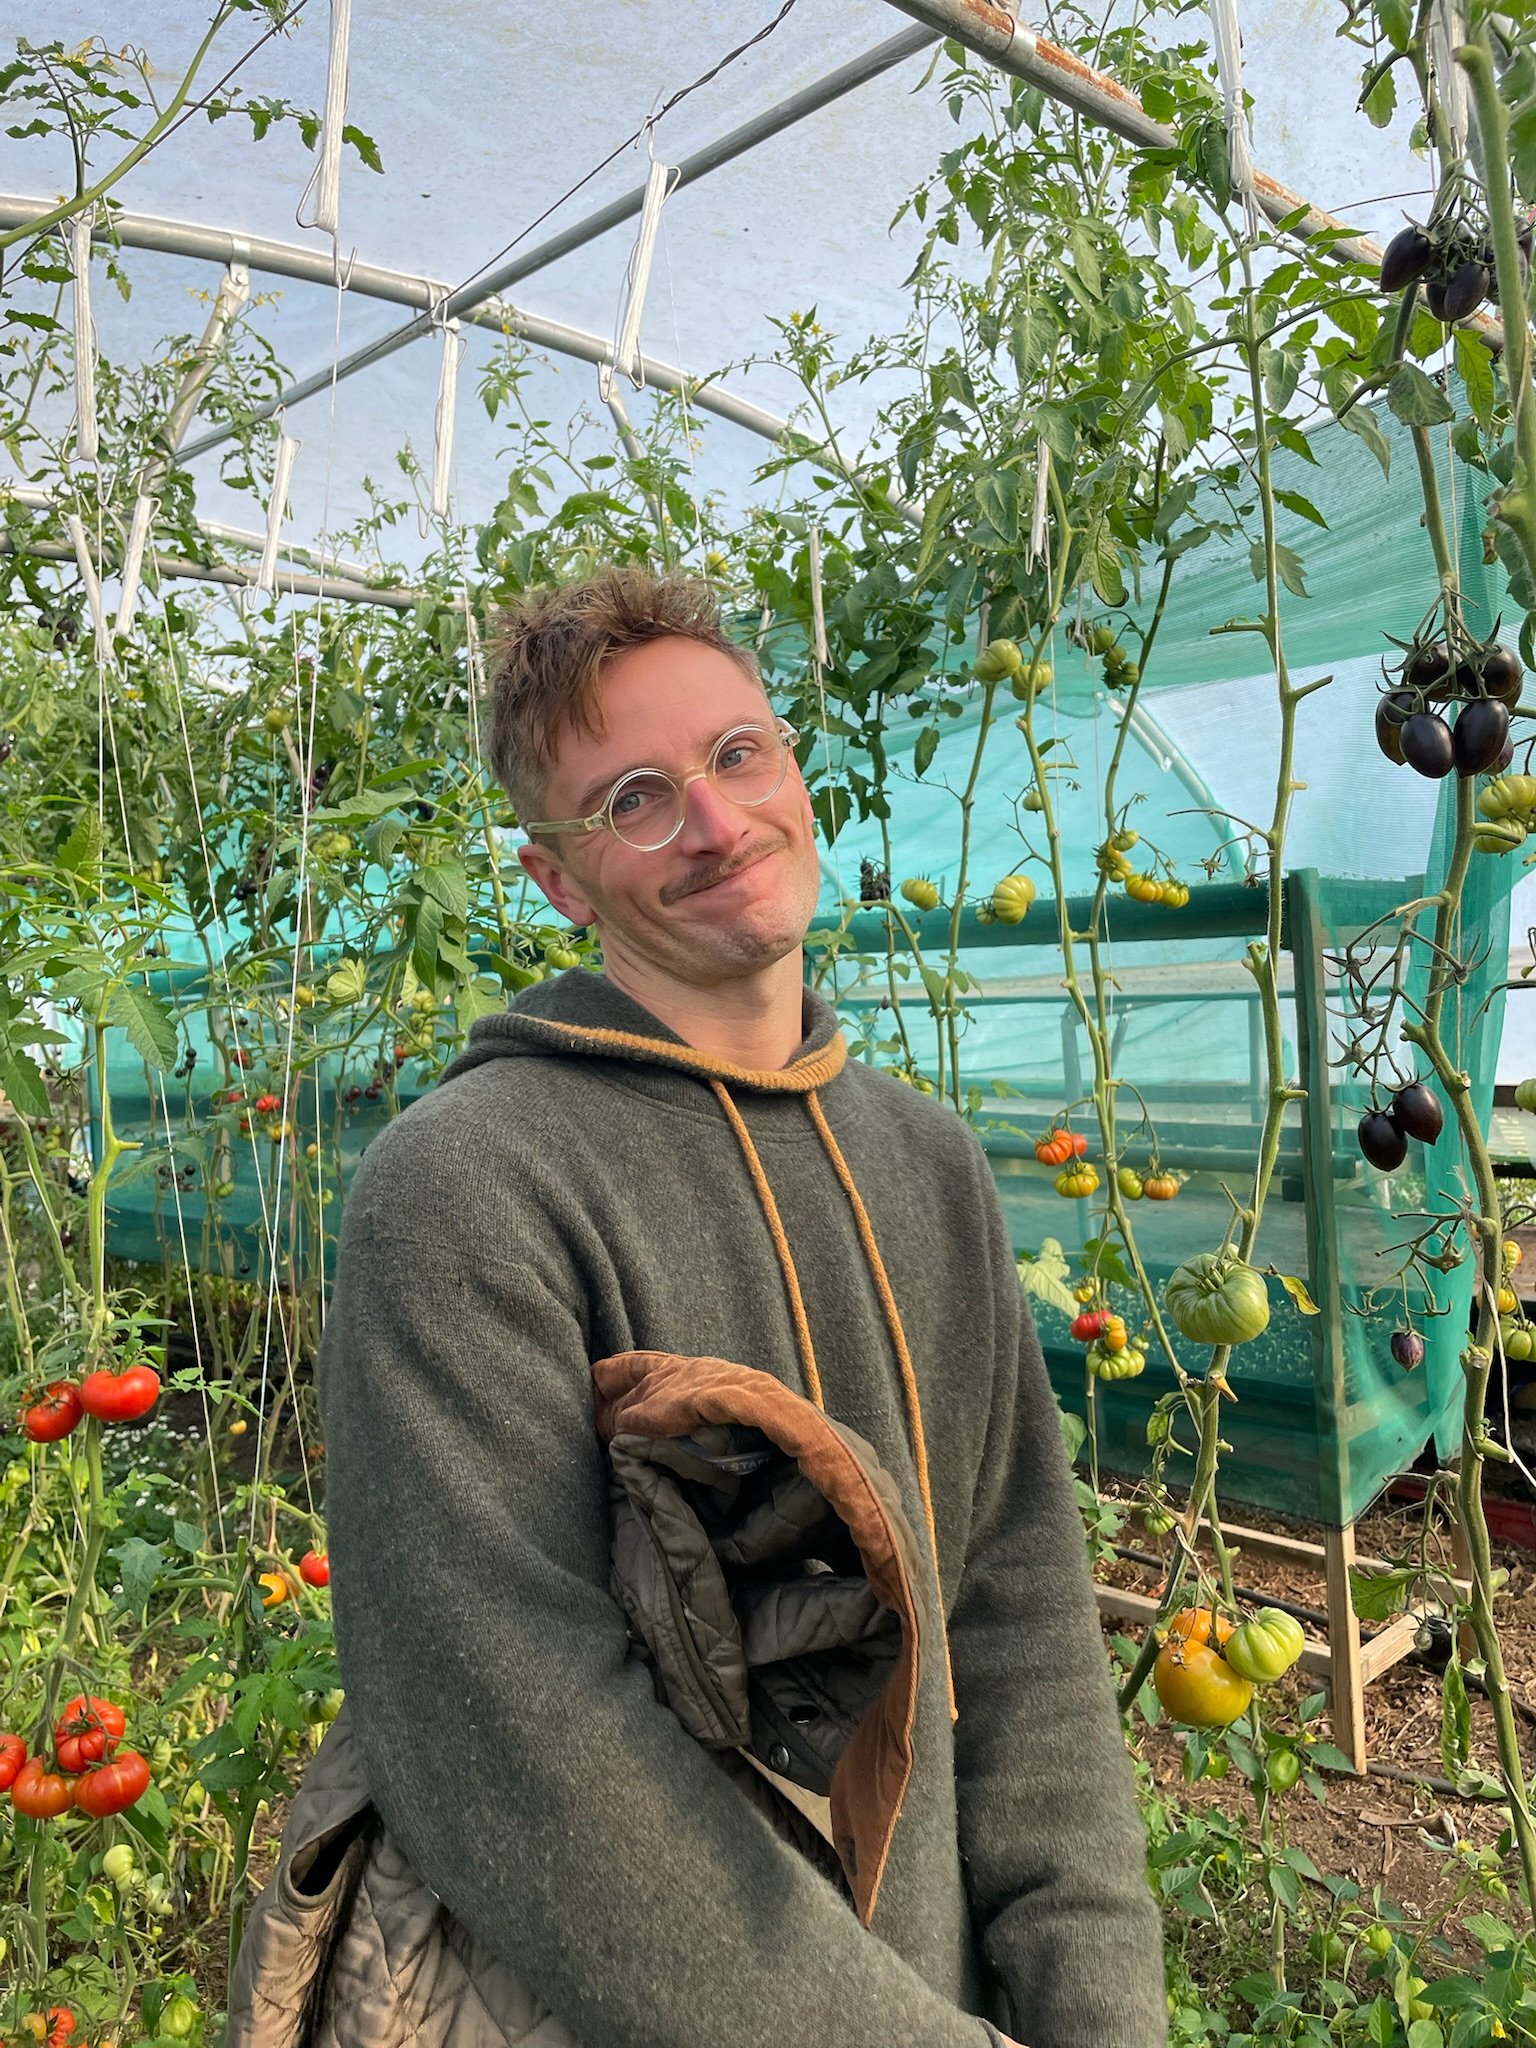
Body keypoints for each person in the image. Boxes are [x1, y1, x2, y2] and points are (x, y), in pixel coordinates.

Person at [314, 566, 1167, 2048]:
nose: (716, 823)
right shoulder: (465, 1184)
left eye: (736, 754)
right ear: (556, 878)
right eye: (632, 799)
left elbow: (1017, 1619)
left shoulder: (929, 1160)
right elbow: (515, 1742)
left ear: (792, 767)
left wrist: (1102, 2013)